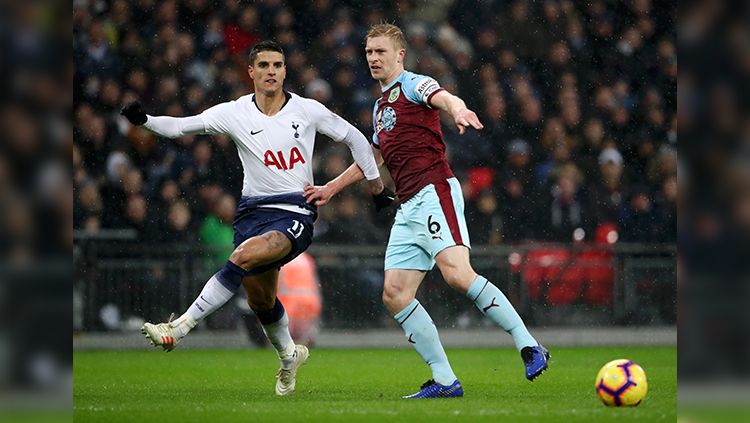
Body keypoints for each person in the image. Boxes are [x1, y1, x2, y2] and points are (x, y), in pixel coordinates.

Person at [120, 40, 394, 396]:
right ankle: (289, 355)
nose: (271, 72)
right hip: (252, 213)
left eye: (277, 65)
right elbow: (181, 127)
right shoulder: (235, 113)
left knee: (243, 256)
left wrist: (374, 188)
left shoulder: (307, 110)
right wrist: (145, 121)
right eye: (263, 65)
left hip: (295, 211)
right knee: (261, 300)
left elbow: (356, 138)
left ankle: (179, 328)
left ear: (285, 71)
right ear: (250, 71)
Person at [305, 24, 549, 399]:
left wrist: (459, 107)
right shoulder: (380, 105)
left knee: (457, 274)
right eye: (369, 52)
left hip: (435, 192)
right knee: (395, 294)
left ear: (400, 55)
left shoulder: (415, 84)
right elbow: (374, 158)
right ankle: (445, 379)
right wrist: (331, 188)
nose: (373, 58)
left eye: (381, 52)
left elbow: (443, 97)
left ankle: (528, 344)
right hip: (408, 206)